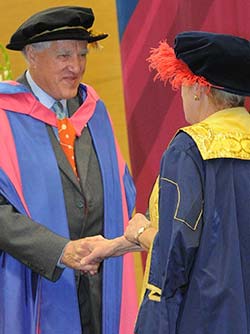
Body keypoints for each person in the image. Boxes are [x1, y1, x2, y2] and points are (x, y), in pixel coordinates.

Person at [80, 31, 250, 333]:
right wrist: (118, 244)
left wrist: (142, 230)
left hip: (205, 316)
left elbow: (176, 254)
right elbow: (224, 235)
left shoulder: (189, 149)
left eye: (182, 84)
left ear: (199, 89)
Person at [0, 6, 139, 334]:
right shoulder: (5, 117)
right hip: (32, 284)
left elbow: (122, 187)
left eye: (82, 55)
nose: (75, 67)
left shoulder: (93, 110)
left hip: (99, 285)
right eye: (63, 56)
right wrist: (59, 250)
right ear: (31, 55)